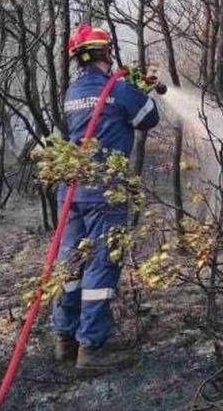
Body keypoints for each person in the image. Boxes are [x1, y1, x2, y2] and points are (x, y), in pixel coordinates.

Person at [51, 24, 160, 372]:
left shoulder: (72, 92)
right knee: (101, 264)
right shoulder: (118, 89)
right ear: (105, 53)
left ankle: (64, 340)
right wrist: (141, 89)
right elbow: (149, 118)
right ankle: (91, 350)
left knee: (69, 264)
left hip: (71, 190)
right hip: (105, 192)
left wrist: (130, 87)